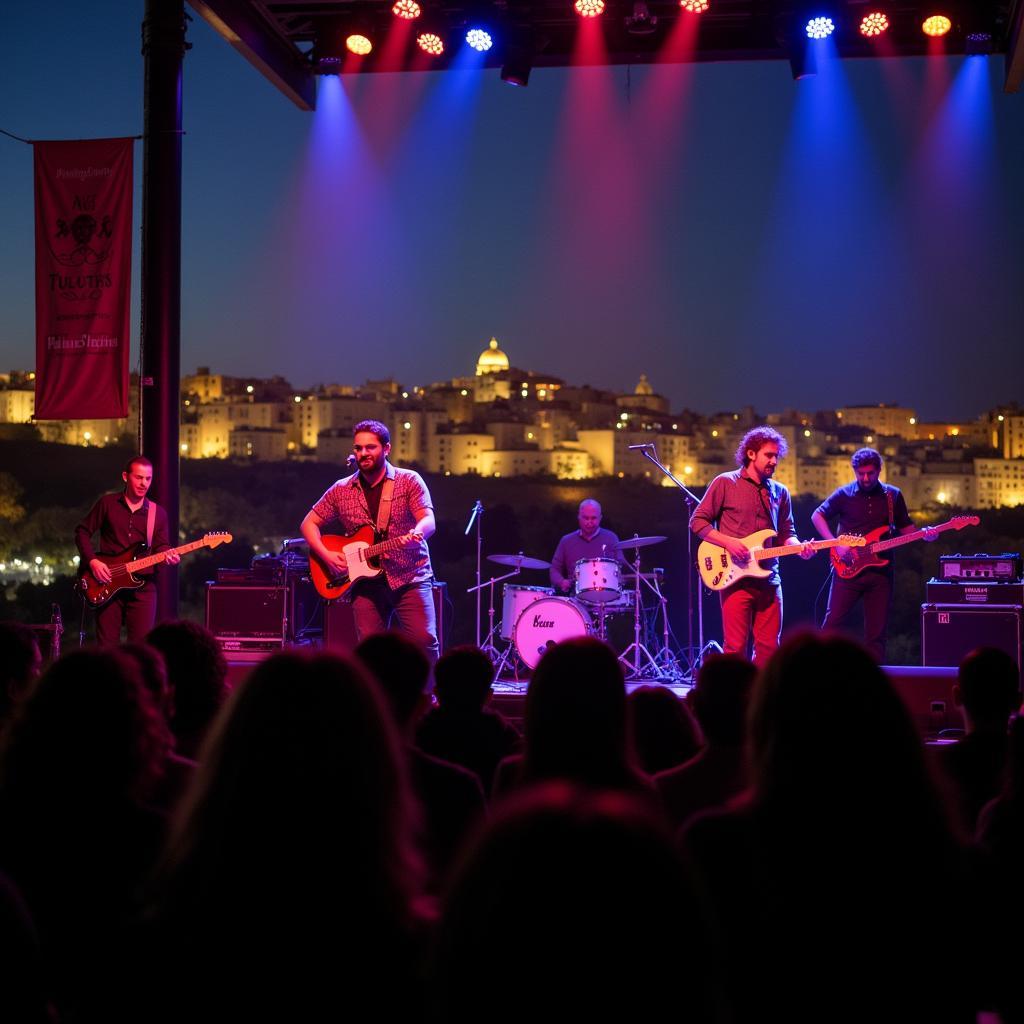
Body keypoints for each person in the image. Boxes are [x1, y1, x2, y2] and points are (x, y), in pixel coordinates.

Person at [300, 420, 439, 661]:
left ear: (386, 449)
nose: (363, 453)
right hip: (365, 584)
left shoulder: (409, 480)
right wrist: (326, 555)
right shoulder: (340, 490)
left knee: (425, 641)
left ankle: (428, 696)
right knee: (370, 653)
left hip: (410, 577)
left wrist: (418, 531)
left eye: (370, 447)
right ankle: (377, 697)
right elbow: (308, 524)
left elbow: (428, 520)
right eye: (358, 448)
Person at [690, 426, 814, 663]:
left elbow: (787, 532)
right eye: (769, 455)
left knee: (769, 650)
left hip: (769, 579)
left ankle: (760, 698)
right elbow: (697, 522)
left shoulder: (780, 492)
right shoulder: (725, 483)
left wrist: (799, 548)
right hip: (735, 579)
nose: (774, 461)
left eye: (777, 456)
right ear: (750, 454)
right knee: (735, 649)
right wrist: (729, 543)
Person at [810, 447, 936, 662]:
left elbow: (906, 529)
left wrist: (926, 535)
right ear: (854, 471)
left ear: (879, 470)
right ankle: (821, 670)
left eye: (870, 473)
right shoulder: (844, 494)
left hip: (881, 574)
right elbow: (817, 516)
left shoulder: (892, 495)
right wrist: (836, 543)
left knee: (876, 635)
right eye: (861, 473)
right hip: (847, 569)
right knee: (831, 624)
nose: (866, 478)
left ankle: (873, 681)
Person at [74, 455, 180, 645]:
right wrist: (93, 561)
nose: (144, 483)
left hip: (143, 588)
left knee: (140, 648)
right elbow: (82, 532)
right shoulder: (107, 503)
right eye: (139, 477)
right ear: (125, 476)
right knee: (107, 646)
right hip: (107, 581)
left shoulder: (158, 513)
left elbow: (161, 546)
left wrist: (168, 555)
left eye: (148, 479)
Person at [549, 498, 626, 597]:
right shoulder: (566, 541)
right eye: (586, 518)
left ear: (600, 518)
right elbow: (554, 569)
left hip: (607, 599)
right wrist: (562, 582)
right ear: (579, 517)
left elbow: (622, 566)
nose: (589, 522)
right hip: (575, 599)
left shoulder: (611, 538)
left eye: (593, 518)